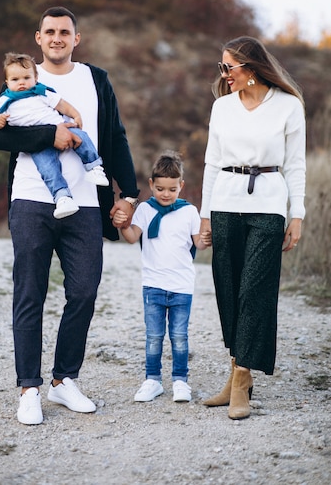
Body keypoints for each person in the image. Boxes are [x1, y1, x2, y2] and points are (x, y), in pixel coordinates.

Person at [0, 6, 139, 425]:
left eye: (65, 32)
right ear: (38, 37)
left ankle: (63, 381)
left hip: (85, 204)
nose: (56, 38)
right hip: (32, 200)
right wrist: (48, 134)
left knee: (85, 292)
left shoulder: (96, 79)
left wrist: (127, 193)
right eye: (49, 31)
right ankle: (29, 389)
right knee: (30, 293)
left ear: (77, 38)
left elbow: (115, 137)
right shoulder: (21, 76)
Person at [199, 36, 306, 420]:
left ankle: (243, 379)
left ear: (252, 68)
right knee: (228, 287)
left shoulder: (288, 107)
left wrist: (298, 214)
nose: (224, 74)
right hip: (226, 202)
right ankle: (235, 370)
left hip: (269, 204)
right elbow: (211, 162)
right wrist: (204, 214)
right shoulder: (222, 108)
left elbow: (295, 164)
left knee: (255, 289)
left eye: (230, 67)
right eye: (222, 66)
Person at [113, 150, 209, 403]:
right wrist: (122, 224)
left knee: (179, 336)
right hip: (153, 285)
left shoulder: (189, 212)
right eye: (161, 189)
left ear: (181, 186)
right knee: (154, 336)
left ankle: (180, 381)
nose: (166, 194)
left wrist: (206, 238)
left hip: (181, 286)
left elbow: (198, 243)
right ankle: (152, 380)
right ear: (152, 185)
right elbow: (133, 237)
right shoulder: (145, 209)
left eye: (172, 189)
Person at [0, 52, 109, 219]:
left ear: (35, 77)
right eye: (15, 80)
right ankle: (62, 197)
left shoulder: (41, 92)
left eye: (27, 78)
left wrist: (75, 114)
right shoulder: (6, 100)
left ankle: (94, 166)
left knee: (82, 137)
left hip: (60, 127)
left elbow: (61, 104)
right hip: (37, 144)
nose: (22, 83)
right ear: (7, 83)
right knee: (48, 169)